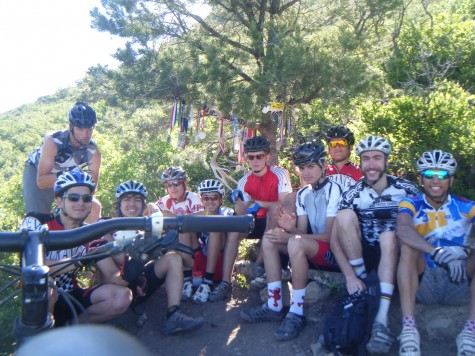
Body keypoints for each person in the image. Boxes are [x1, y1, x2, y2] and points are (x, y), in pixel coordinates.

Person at [240, 140, 342, 341]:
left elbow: (329, 237)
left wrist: (290, 235)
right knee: (270, 238)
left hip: (332, 254)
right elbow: (301, 232)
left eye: (311, 166)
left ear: (323, 165)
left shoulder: (334, 189)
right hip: (310, 248)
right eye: (302, 168)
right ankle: (274, 304)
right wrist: (289, 228)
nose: (306, 172)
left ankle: (296, 312)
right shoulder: (304, 193)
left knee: (293, 241)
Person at [330, 135, 419, 354]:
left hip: (399, 253)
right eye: (366, 159)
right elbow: (334, 239)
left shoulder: (407, 189)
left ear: (387, 161)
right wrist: (350, 276)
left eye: (377, 158)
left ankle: (381, 320)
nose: (371, 165)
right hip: (364, 254)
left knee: (389, 236)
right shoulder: (352, 192)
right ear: (360, 162)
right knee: (343, 215)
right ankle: (362, 280)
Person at [20, 171, 131, 326]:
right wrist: (77, 261)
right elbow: (33, 266)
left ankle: (70, 328)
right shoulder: (37, 221)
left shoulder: (90, 234)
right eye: (73, 197)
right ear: (59, 201)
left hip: (71, 294)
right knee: (46, 284)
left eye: (87, 198)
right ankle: (46, 343)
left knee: (122, 296)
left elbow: (113, 275)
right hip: (40, 296)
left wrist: (134, 267)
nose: (81, 203)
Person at [96, 180, 204, 335]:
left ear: (143, 205)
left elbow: (179, 259)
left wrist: (156, 214)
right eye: (127, 199)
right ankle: (111, 321)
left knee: (173, 258)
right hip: (117, 285)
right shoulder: (106, 225)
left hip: (142, 281)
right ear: (118, 204)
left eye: (137, 200)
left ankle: (173, 314)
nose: (132, 204)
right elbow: (120, 258)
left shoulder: (148, 226)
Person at [396, 150, 475, 356]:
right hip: (425, 280)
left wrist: (464, 251)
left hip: (459, 280)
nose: (435, 180)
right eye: (430, 174)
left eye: (442, 175)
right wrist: (436, 251)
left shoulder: (467, 205)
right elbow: (402, 229)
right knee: (407, 246)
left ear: (451, 179)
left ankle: (469, 332)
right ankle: (409, 329)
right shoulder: (411, 203)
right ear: (421, 178)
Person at [22, 102, 102, 223]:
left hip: (66, 178)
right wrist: (68, 174)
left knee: (94, 207)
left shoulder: (94, 152)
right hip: (38, 172)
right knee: (38, 217)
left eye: (90, 128)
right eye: (80, 129)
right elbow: (42, 182)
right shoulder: (53, 142)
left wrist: (72, 200)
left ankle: (86, 241)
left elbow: (92, 188)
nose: (86, 134)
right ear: (70, 126)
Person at [228, 136, 292, 276]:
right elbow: (241, 212)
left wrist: (260, 203)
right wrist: (237, 200)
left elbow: (284, 203)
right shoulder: (244, 181)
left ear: (267, 157)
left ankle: (258, 266)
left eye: (259, 156)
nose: (255, 160)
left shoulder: (280, 174)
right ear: (246, 158)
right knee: (233, 228)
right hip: (256, 221)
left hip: (276, 221)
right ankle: (225, 280)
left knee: (274, 210)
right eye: (251, 157)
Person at [155, 166, 204, 301]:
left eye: (176, 183)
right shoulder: (165, 200)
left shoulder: (193, 198)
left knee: (182, 227)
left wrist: (176, 217)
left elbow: (202, 217)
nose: (173, 188)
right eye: (169, 184)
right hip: (173, 244)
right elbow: (151, 210)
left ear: (184, 184)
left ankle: (187, 277)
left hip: (194, 243)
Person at [190, 179, 240, 303]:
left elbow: (224, 218)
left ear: (221, 199)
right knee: (186, 228)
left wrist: (203, 215)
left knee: (215, 226)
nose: (210, 201)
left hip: (220, 259)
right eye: (206, 198)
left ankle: (210, 282)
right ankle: (186, 280)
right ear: (201, 200)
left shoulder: (226, 211)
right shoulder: (198, 213)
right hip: (202, 260)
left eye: (214, 197)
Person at [325, 125, 363, 189]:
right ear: (328, 149)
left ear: (350, 147)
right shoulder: (321, 173)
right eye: (333, 144)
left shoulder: (361, 172)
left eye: (342, 143)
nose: (337, 147)